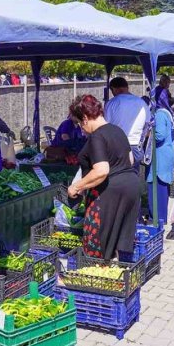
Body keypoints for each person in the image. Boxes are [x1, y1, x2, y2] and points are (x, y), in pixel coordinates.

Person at [66, 95, 140, 260]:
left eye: (79, 123)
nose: (80, 128)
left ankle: (97, 273)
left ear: (85, 118)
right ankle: (120, 274)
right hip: (131, 185)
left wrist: (76, 187)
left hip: (110, 191)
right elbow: (130, 159)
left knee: (97, 239)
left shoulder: (97, 136)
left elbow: (101, 170)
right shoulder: (117, 130)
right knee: (120, 237)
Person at [104, 76, 149, 168]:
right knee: (133, 176)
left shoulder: (112, 103)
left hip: (118, 146)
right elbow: (148, 125)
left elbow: (106, 126)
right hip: (136, 146)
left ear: (114, 89)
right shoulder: (142, 103)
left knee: (118, 176)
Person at [147, 85, 174, 226]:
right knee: (162, 187)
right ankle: (161, 217)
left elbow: (159, 135)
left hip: (160, 156)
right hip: (167, 153)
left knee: (157, 186)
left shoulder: (159, 114)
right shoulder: (167, 112)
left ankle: (157, 218)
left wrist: (147, 133)